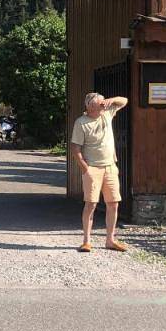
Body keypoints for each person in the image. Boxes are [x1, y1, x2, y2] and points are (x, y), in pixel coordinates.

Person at [69, 92, 129, 253]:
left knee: (113, 203)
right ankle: (86, 241)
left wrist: (111, 100)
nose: (104, 106)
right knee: (91, 204)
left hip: (110, 166)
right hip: (93, 168)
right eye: (100, 104)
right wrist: (85, 169)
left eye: (103, 103)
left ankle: (110, 240)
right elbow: (75, 148)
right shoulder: (81, 123)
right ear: (90, 106)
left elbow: (124, 101)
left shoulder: (107, 114)